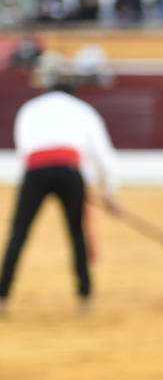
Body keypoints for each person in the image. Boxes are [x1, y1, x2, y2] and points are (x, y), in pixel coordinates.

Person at [0, 58, 120, 315]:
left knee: (18, 234)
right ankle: (85, 298)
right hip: (69, 171)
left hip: (34, 172)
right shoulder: (82, 110)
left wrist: (41, 174)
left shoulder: (30, 108)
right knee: (77, 234)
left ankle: (2, 297)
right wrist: (110, 193)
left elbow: (25, 149)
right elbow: (103, 155)